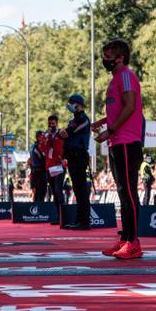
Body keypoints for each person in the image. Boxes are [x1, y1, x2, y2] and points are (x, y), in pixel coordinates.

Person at [93, 39, 147, 260]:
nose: (105, 59)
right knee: (123, 193)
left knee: (129, 192)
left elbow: (131, 105)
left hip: (126, 141)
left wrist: (111, 129)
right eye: (104, 54)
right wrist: (104, 121)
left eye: (109, 55)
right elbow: (122, 108)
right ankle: (125, 238)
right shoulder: (117, 78)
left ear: (120, 57)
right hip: (118, 141)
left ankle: (133, 242)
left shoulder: (125, 75)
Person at [59, 94, 93, 230]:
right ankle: (80, 220)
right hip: (73, 157)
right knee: (78, 190)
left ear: (79, 104)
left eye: (73, 103)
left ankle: (84, 221)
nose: (70, 105)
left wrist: (64, 132)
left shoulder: (83, 119)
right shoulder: (75, 119)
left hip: (79, 156)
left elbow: (67, 133)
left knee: (81, 190)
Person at [43, 114, 65, 225]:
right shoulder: (46, 135)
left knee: (58, 190)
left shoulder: (61, 133)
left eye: (53, 123)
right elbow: (42, 148)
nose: (51, 125)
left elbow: (65, 145)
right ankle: (58, 216)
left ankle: (64, 215)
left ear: (56, 123)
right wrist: (45, 138)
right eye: (49, 123)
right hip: (49, 167)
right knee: (54, 192)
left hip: (59, 165)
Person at [28, 130, 47, 203]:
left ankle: (37, 206)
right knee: (41, 192)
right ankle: (39, 208)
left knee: (38, 192)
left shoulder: (33, 146)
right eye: (42, 137)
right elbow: (43, 158)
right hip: (39, 172)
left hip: (35, 172)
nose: (44, 138)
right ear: (38, 137)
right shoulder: (37, 147)